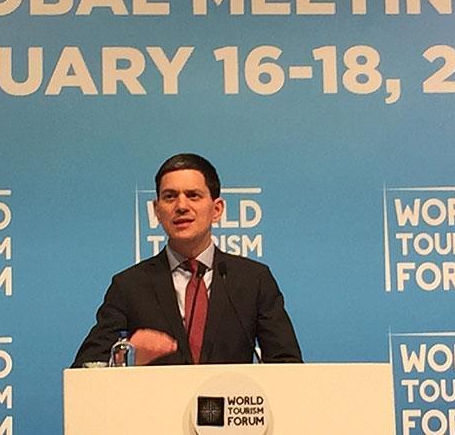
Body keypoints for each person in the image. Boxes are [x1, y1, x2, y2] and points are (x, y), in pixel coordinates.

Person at [72, 153, 302, 366]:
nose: (181, 206)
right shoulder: (129, 286)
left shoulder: (254, 280)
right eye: (170, 197)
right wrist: (128, 354)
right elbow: (86, 368)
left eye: (193, 195)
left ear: (217, 209)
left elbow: (287, 364)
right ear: (157, 210)